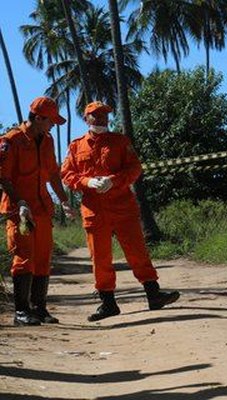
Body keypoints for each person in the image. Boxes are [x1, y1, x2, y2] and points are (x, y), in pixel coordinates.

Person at [61, 101, 179, 322]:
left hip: (123, 207)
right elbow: (67, 175)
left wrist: (113, 181)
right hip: (94, 210)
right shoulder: (76, 146)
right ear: (86, 119)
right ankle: (108, 304)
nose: (101, 119)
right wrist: (87, 182)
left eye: (105, 115)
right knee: (100, 257)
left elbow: (135, 168)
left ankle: (154, 295)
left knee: (137, 251)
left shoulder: (120, 141)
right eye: (95, 116)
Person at [0, 97, 72, 326]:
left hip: (42, 209)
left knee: (42, 258)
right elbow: (4, 177)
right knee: (24, 258)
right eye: (50, 121)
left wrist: (64, 200)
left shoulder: (47, 140)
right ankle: (21, 312)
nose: (53, 126)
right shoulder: (11, 141)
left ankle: (39, 308)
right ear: (39, 118)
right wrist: (19, 202)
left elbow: (52, 174)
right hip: (19, 211)